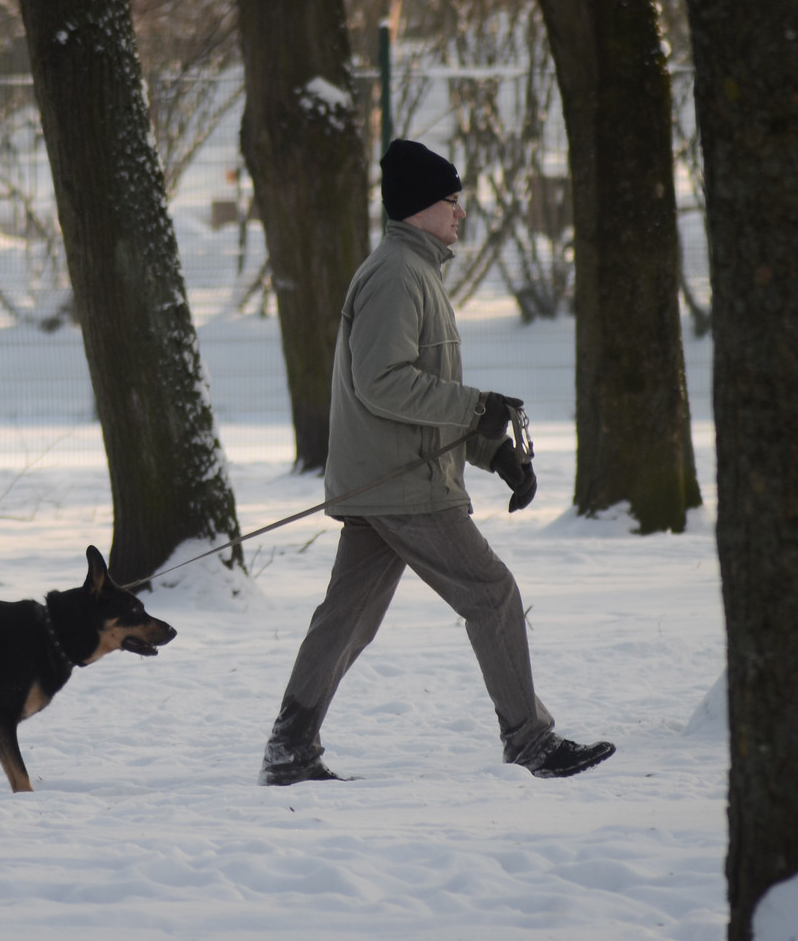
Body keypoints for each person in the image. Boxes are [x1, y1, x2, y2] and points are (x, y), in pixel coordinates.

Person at [259, 138, 616, 786]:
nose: (460, 214)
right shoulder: (398, 276)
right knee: (491, 593)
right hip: (404, 487)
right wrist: (479, 406)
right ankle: (531, 741)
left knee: (347, 620)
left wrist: (492, 451)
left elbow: (417, 396)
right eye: (453, 201)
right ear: (423, 206)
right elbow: (383, 383)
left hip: (390, 478)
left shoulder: (413, 272)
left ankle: (290, 749)